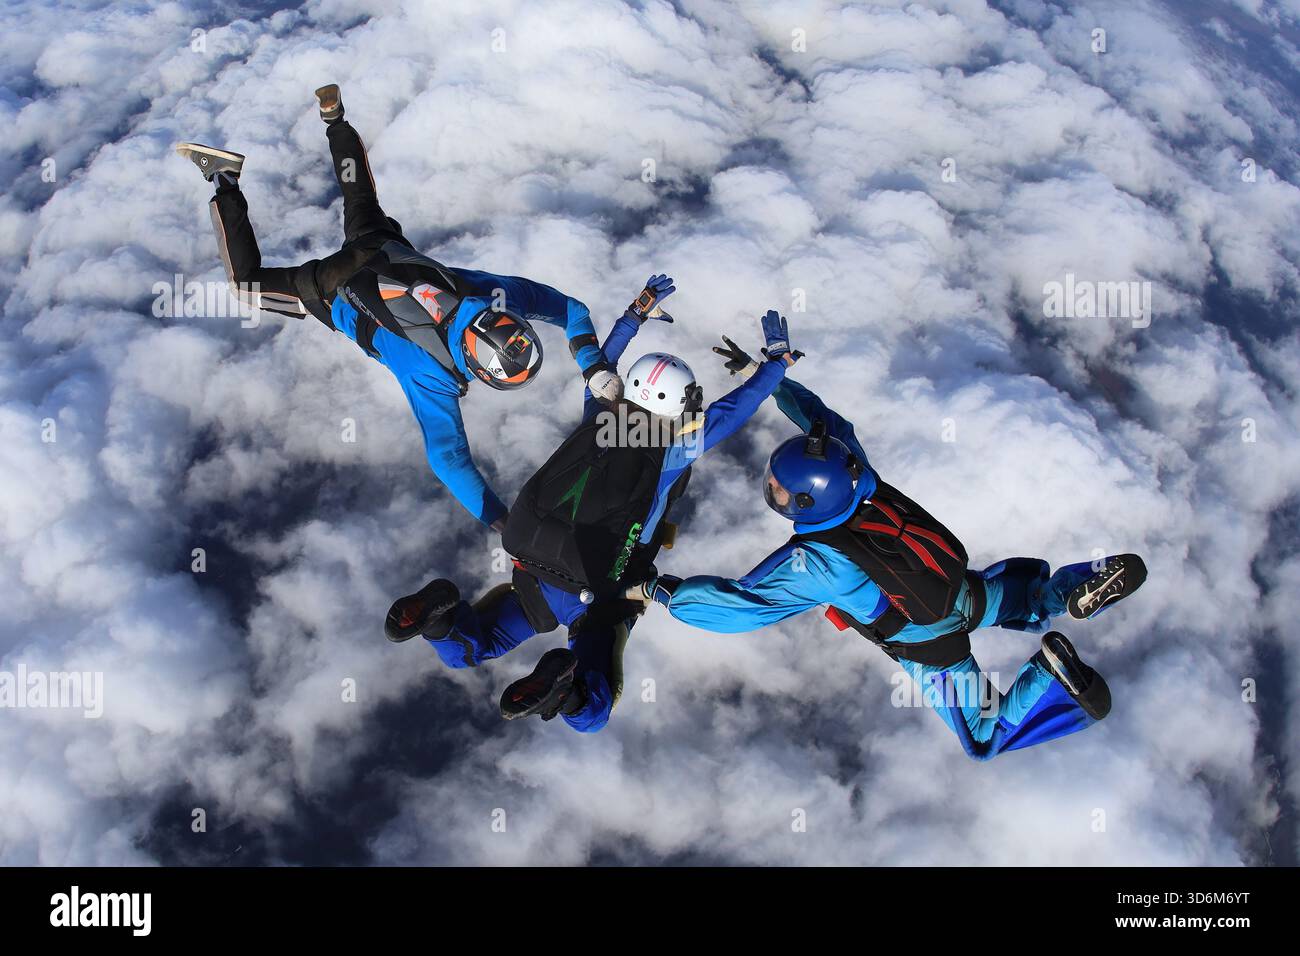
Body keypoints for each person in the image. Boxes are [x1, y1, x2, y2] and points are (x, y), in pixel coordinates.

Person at [627, 358, 1148, 759]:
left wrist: (658, 590)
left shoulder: (814, 563)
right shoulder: (859, 473)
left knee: (986, 737)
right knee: (1029, 599)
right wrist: (766, 378)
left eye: (781, 493)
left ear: (809, 503)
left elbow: (740, 607)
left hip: (929, 644)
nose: (774, 494)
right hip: (961, 590)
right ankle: (1069, 591)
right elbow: (822, 422)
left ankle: (1053, 676)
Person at [176, 84, 619, 530]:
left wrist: (594, 366)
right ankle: (223, 179)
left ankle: (335, 120)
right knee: (247, 284)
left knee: (359, 195)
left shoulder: (492, 294)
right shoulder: (433, 374)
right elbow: (447, 459)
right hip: (333, 290)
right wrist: (504, 526)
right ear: (478, 368)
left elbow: (571, 309)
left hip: (380, 247)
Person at [384, 283, 803, 733]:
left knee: (475, 647)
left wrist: (634, 314)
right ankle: (569, 692)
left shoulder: (601, 411)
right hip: (593, 590)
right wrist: (776, 363)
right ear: (680, 405)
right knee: (593, 712)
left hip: (536, 568)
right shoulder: (674, 447)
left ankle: (439, 622)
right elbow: (734, 410)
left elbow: (601, 363)